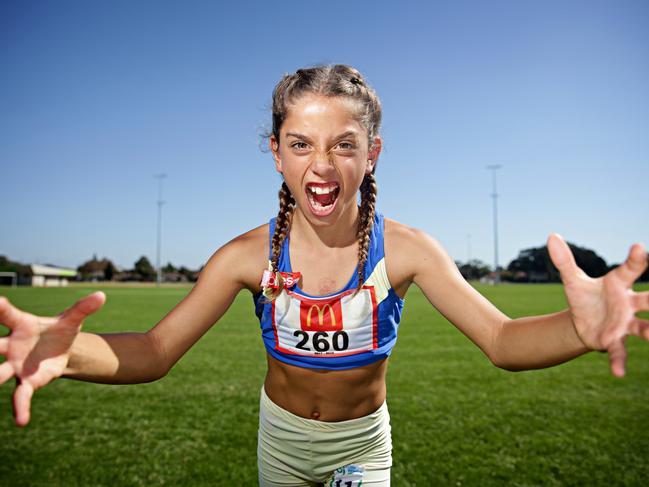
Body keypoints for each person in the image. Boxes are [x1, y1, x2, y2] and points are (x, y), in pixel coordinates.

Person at [0, 64, 648, 487]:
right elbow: (154, 350)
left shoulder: (408, 249)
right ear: (277, 152)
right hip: (279, 443)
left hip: (361, 447)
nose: (322, 162)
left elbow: (503, 341)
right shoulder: (242, 256)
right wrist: (71, 351)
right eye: (301, 143)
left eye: (344, 142)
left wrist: (576, 327)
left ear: (372, 154)